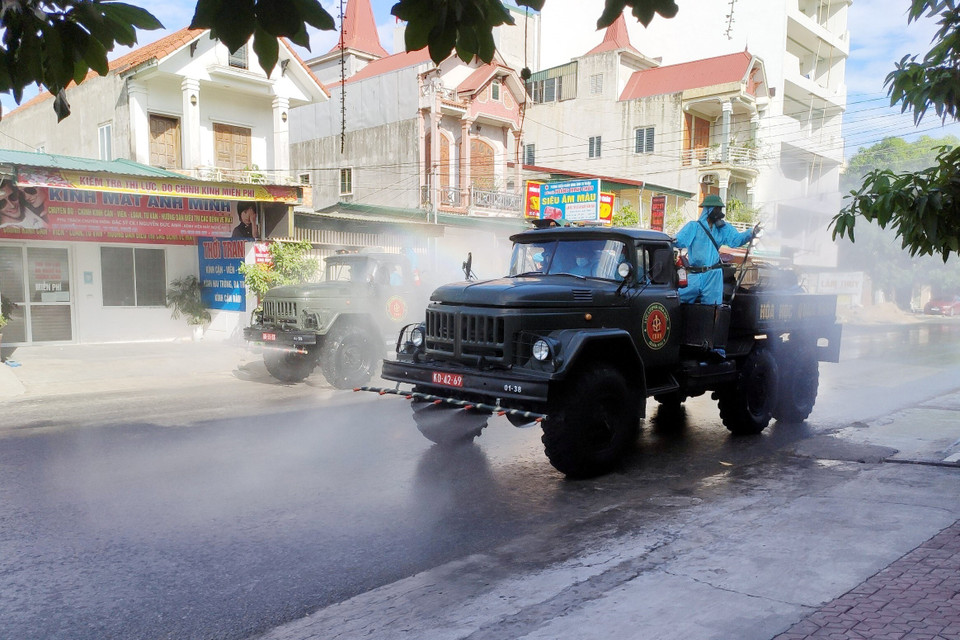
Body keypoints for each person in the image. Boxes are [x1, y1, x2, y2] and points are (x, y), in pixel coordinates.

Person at [674, 194, 758, 305]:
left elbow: (735, 240)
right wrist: (669, 240)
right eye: (716, 208)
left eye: (720, 208)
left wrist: (750, 233)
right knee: (678, 299)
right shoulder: (694, 226)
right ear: (708, 209)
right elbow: (680, 240)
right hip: (695, 273)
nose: (719, 212)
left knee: (712, 308)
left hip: (713, 275)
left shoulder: (723, 229)